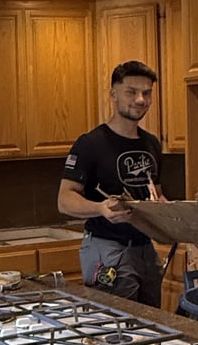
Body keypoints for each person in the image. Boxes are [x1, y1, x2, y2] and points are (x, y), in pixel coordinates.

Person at [57, 60, 165, 304]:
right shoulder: (90, 144)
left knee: (153, 326)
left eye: (146, 93)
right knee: (116, 325)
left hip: (146, 250)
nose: (140, 99)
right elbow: (64, 200)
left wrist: (190, 228)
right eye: (131, 92)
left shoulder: (152, 144)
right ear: (113, 94)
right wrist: (100, 208)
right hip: (106, 252)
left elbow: (157, 199)